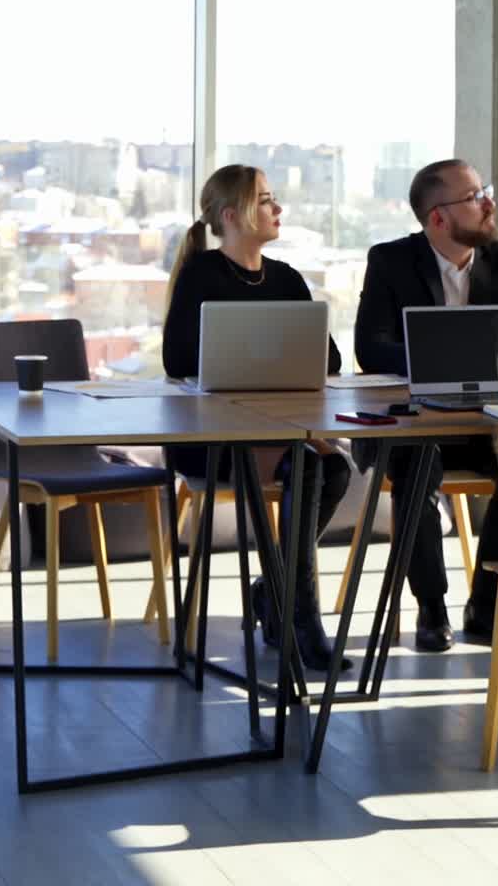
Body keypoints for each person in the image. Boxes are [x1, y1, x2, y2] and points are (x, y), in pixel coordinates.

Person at [162, 164, 352, 672]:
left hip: (279, 432)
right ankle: (302, 622)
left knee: (336, 468)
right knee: (312, 467)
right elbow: (177, 363)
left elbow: (328, 361)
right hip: (213, 437)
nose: (277, 208)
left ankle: (274, 589)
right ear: (232, 215)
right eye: (265, 199)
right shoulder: (200, 275)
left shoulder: (287, 278)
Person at [354, 158, 498, 653]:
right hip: (417, 424)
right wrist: (438, 362)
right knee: (418, 467)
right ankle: (431, 607)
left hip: (482, 425)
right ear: (438, 218)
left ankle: (488, 605)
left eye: (484, 191)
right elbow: (372, 348)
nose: (488, 203)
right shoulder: (390, 260)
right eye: (475, 197)